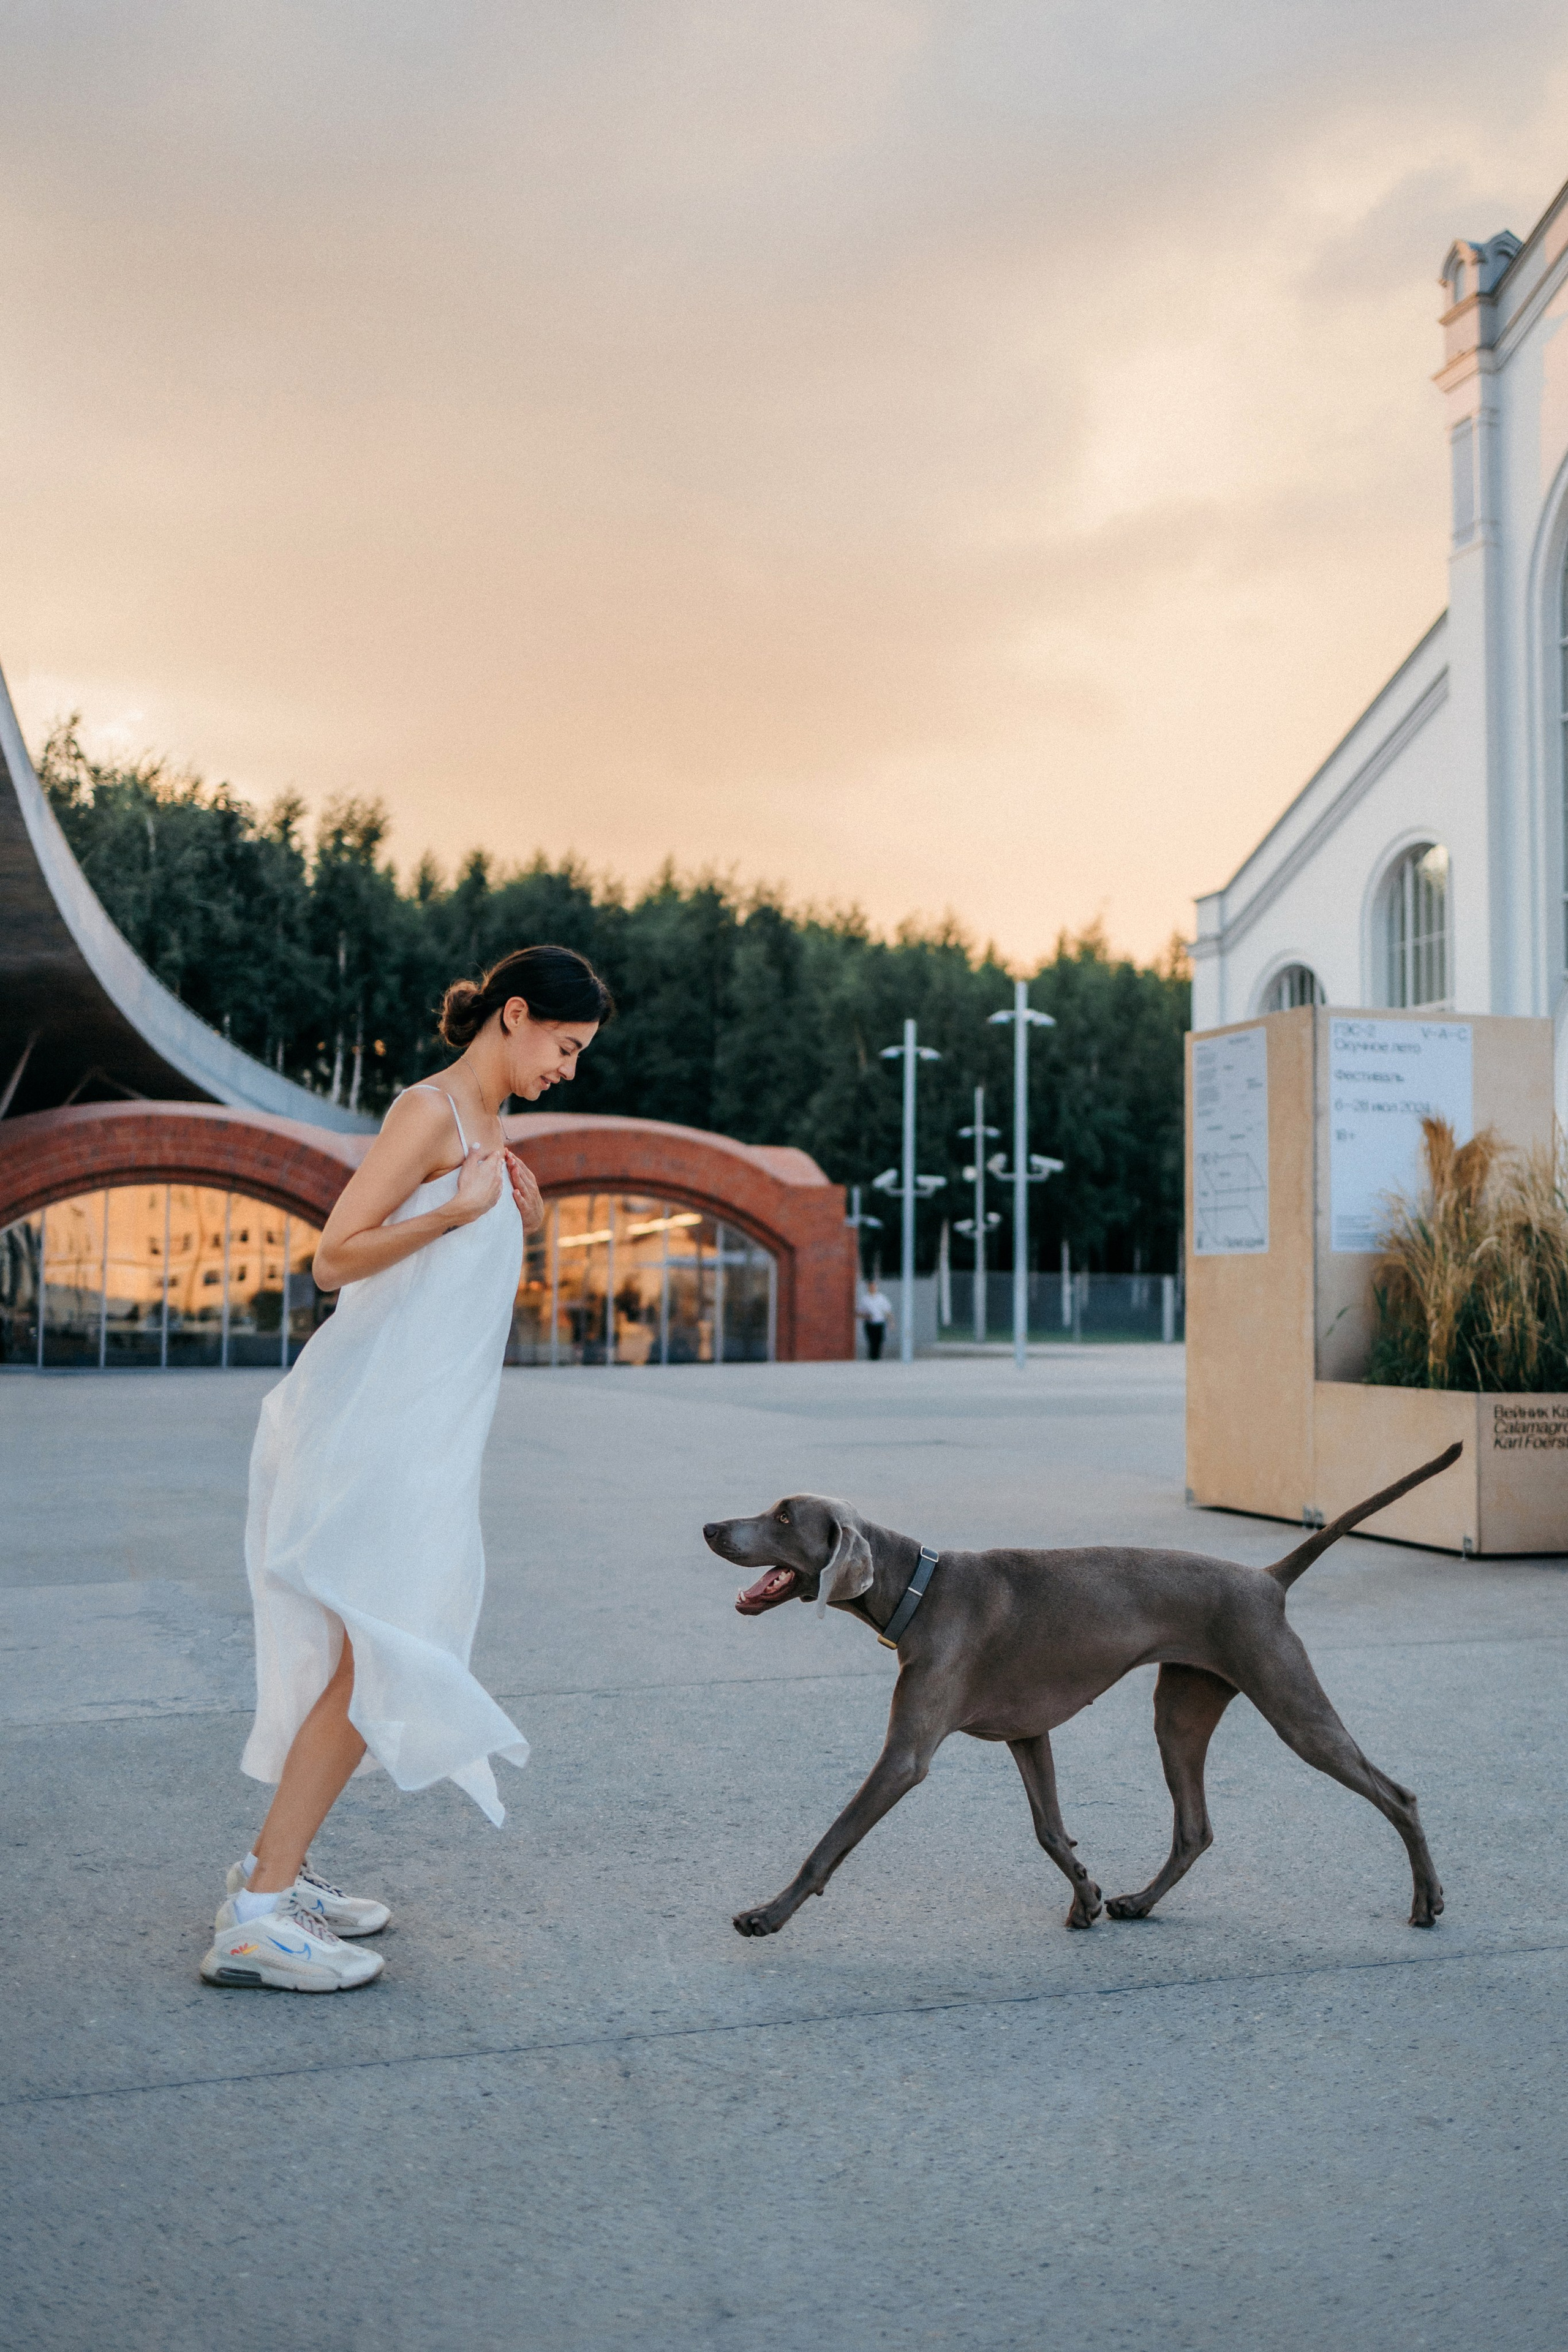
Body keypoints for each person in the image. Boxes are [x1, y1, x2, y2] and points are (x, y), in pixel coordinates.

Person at [200, 943, 613, 1993]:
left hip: (428, 1432)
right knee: (376, 1653)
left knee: (368, 1649)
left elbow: (450, 1278)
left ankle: (270, 1875)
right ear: (514, 1015)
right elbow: (333, 1256)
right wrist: (454, 1215)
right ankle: (254, 1916)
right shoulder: (430, 1112)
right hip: (377, 1427)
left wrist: (516, 1219)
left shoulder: (489, 1125)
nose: (568, 1069)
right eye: (565, 1047)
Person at [861, 1274, 892, 1360]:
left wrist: (891, 1322)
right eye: (871, 1287)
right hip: (870, 1323)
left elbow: (887, 1311)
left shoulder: (881, 1298)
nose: (872, 1288)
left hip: (880, 1323)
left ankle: (878, 1358)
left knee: (879, 1341)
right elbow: (859, 1312)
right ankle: (872, 1358)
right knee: (872, 1342)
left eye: (873, 1286)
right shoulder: (865, 1299)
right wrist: (866, 1316)